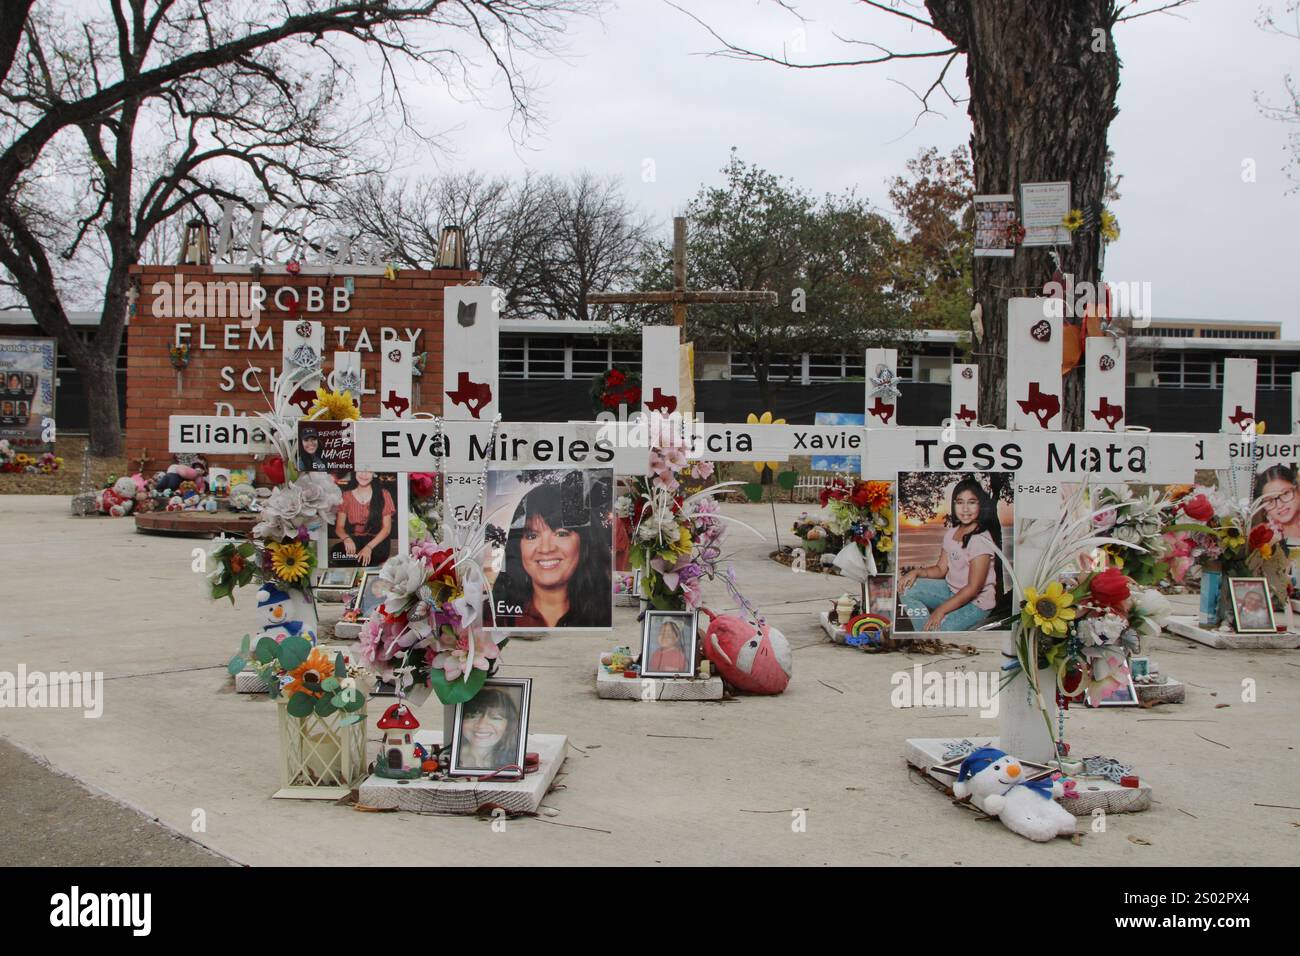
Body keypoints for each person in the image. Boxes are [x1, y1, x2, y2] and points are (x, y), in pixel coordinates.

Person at [493, 472, 611, 628]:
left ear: (584, 542)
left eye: (561, 533)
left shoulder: (606, 614)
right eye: (531, 536)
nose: (546, 548)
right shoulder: (493, 616)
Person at [899, 477, 1004, 632]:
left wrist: (940, 610)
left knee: (938, 629)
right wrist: (916, 572)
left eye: (972, 502)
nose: (965, 508)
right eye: (960, 502)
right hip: (951, 591)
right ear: (954, 505)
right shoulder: (952, 533)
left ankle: (928, 633)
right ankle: (925, 633)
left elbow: (973, 589)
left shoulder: (980, 540)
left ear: (980, 505)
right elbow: (941, 569)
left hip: (976, 604)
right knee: (905, 588)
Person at [333, 471, 395, 567]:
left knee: (363, 560)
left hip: (377, 542)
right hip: (355, 540)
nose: (364, 475)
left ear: (374, 474)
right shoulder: (346, 496)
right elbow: (339, 528)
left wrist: (369, 547)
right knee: (336, 554)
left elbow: (386, 529)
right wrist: (347, 539)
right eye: (361, 470)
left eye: (368, 472)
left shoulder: (384, 494)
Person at [456, 687, 522, 773]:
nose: (482, 725)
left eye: (495, 718)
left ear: (508, 725)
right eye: (472, 716)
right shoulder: (452, 758)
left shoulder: (513, 759)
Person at [1255, 464, 1300, 542]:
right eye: (1270, 501)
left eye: (1285, 493)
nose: (1279, 505)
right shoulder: (1258, 537)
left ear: (1298, 489)